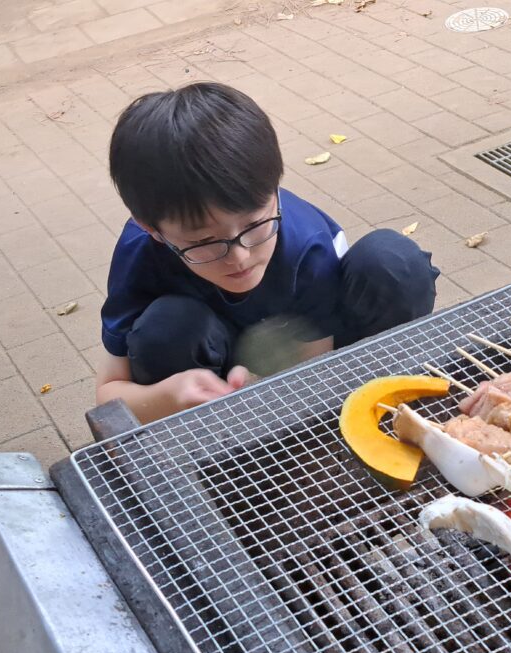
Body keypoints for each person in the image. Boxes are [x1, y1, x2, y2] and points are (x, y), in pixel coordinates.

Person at [96, 82, 439, 423]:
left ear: (273, 191)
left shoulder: (309, 242)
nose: (240, 257)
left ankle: (389, 395)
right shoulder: (138, 256)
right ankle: (207, 439)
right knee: (169, 327)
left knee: (393, 262)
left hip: (313, 344)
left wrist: (277, 390)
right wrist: (166, 396)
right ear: (150, 229)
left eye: (254, 226)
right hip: (207, 373)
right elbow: (108, 393)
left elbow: (310, 371)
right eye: (203, 242)